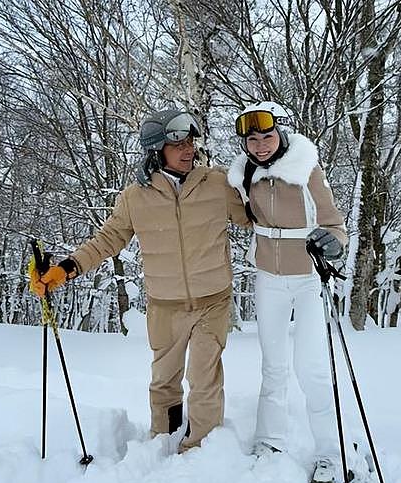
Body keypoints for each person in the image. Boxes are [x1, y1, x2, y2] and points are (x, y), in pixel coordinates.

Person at [30, 109, 250, 453]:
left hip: (213, 301)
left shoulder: (217, 183)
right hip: (165, 305)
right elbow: (107, 240)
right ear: (156, 150)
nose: (188, 149)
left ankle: (200, 451)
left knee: (204, 380)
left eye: (191, 141)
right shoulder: (135, 198)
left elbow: (256, 218)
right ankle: (162, 443)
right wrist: (66, 268)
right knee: (164, 382)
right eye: (178, 144)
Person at [227, 101, 348, 463]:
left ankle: (332, 452)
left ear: (281, 133)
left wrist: (334, 244)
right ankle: (269, 439)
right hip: (269, 278)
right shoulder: (244, 175)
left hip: (308, 279)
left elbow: (335, 223)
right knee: (273, 364)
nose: (260, 144)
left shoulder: (306, 170)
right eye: (252, 139)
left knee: (310, 367)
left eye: (267, 136)